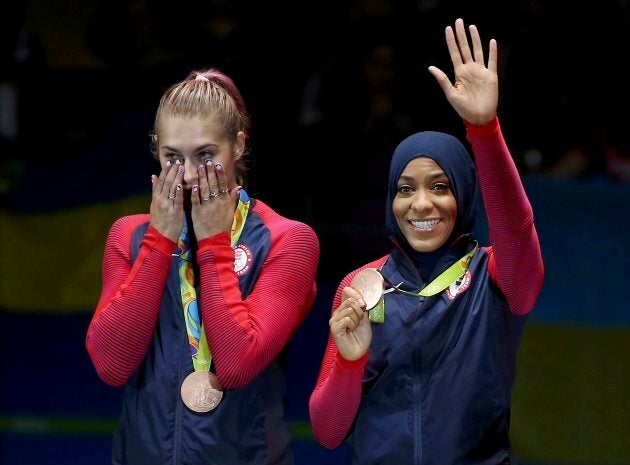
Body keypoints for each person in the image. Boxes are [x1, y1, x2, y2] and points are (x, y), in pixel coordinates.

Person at [309, 18, 544, 464]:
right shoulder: (362, 284)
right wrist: (350, 362)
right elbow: (327, 431)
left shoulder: (495, 278)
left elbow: (517, 227)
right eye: (405, 189)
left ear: (464, 194)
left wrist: (484, 130)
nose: (420, 204)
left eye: (440, 187)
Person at [86, 68, 320, 465]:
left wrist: (213, 244)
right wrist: (160, 240)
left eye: (206, 155)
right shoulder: (129, 236)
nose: (190, 175)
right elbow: (111, 365)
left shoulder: (288, 241)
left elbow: (235, 365)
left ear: (239, 145)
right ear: (156, 151)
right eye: (173, 158)